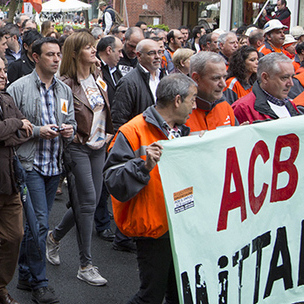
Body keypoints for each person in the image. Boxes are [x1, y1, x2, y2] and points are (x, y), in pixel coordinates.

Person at [104, 73, 198, 304]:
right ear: (177, 100)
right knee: (151, 296)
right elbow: (113, 181)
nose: (195, 106)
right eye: (192, 99)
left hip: (180, 224)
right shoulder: (132, 130)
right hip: (153, 227)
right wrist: (143, 166)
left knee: (181, 294)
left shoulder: (184, 128)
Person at [7, 37, 76, 304]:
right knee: (40, 225)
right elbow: (11, 127)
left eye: (58, 54)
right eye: (50, 55)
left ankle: (25, 273)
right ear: (36, 57)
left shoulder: (63, 90)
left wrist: (68, 130)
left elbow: (68, 119)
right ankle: (40, 282)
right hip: (30, 164)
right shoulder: (18, 88)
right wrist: (37, 131)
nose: (57, 59)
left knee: (35, 224)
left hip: (53, 165)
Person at [46, 31, 113, 286]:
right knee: (87, 203)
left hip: (99, 146)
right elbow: (62, 118)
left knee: (91, 201)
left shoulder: (98, 76)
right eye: (88, 47)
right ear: (75, 53)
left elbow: (104, 108)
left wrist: (107, 133)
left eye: (93, 46)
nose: (93, 50)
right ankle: (85, 265)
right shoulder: (64, 83)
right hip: (77, 147)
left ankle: (54, 238)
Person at [0, 56, 32, 304]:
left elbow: (25, 132)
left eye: (3, 70)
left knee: (14, 236)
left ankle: (0, 285)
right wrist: (13, 124)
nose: (3, 75)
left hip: (10, 182)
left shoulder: (7, 99)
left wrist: (11, 129)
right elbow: (15, 127)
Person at [232, 53, 300, 124]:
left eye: (292, 77)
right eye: (285, 78)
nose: (291, 84)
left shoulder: (291, 105)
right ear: (265, 78)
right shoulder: (243, 108)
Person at [187, 51, 237, 133]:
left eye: (224, 77)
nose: (223, 84)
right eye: (216, 78)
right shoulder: (180, 113)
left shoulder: (225, 107)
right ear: (196, 78)